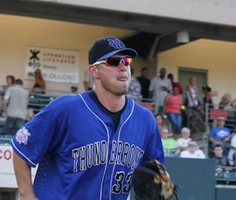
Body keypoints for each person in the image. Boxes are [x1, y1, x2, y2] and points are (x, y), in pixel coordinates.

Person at [10, 36, 164, 200]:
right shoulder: (64, 109)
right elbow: (22, 147)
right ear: (94, 71)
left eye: (126, 60)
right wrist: (27, 195)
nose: (123, 66)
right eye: (113, 61)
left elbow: (155, 170)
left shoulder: (145, 120)